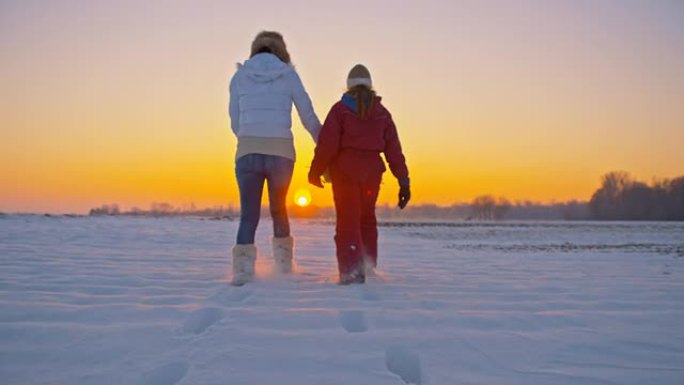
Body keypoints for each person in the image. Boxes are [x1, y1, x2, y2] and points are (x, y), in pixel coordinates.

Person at [228, 31, 321, 286]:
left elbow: (235, 121)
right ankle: (283, 269)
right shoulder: (289, 75)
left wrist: (250, 138)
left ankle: (243, 274)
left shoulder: (239, 78)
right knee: (279, 210)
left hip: (247, 151)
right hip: (281, 153)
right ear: (282, 51)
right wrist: (325, 147)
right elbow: (308, 116)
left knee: (249, 215)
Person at [308, 64, 410, 284]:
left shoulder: (340, 110)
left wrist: (315, 171)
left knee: (348, 221)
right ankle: (368, 264)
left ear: (348, 86)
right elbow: (394, 150)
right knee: (366, 218)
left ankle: (351, 270)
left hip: (345, 173)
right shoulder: (382, 113)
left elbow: (327, 144)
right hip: (372, 173)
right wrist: (403, 181)